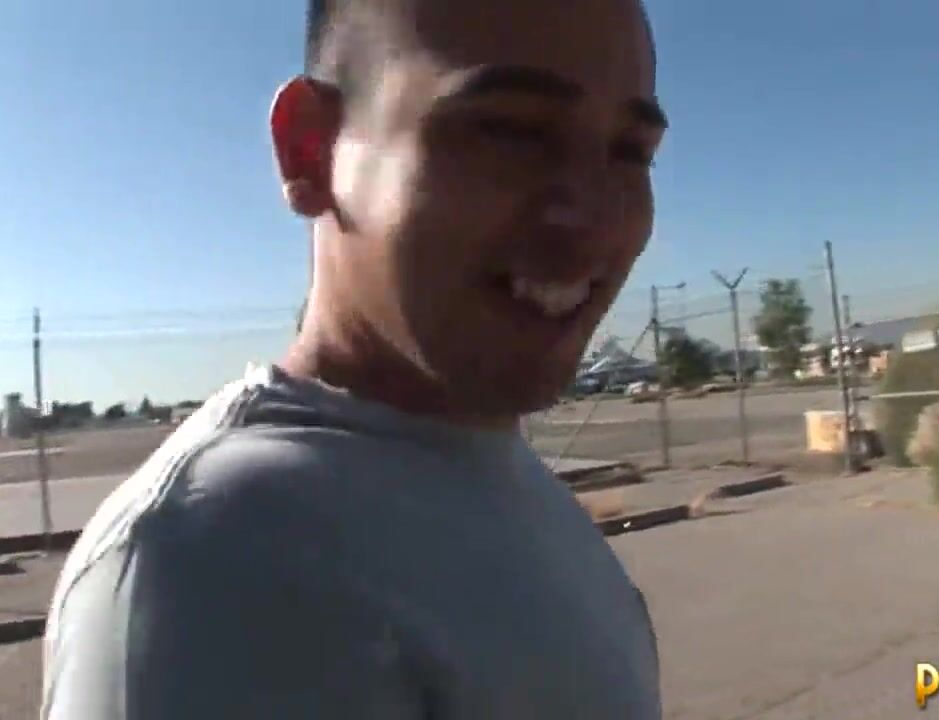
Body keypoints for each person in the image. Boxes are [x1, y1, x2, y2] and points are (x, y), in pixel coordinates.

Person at [41, 0, 666, 717]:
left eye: (631, 151)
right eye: (511, 130)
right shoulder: (218, 557)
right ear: (311, 151)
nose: (595, 222)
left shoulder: (492, 471)